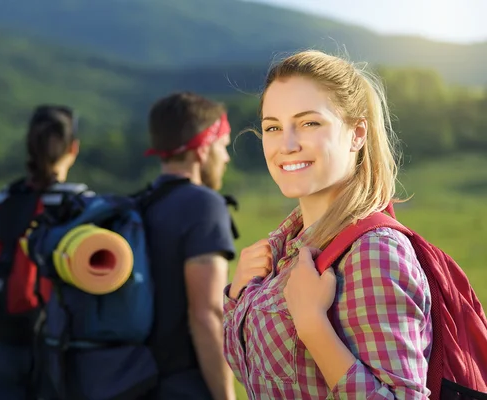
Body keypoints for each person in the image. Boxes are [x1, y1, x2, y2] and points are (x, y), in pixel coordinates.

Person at [223, 50, 433, 399]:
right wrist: (238, 295)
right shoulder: (285, 248)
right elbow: (258, 376)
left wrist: (314, 327)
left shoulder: (373, 252)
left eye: (309, 123)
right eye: (273, 127)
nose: (287, 145)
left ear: (357, 134)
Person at [0, 105, 94, 400]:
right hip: (59, 348)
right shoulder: (80, 203)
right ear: (73, 148)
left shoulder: (2, 199)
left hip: (3, 344)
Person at [141, 92, 238, 400]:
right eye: (222, 146)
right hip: (184, 385)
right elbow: (206, 314)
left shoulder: (140, 203)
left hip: (136, 381)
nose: (226, 157)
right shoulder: (203, 205)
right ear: (203, 147)